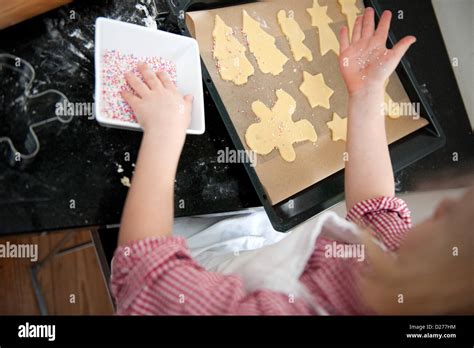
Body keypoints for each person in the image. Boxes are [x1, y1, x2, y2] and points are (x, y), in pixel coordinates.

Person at [111, 8, 474, 315]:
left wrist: (164, 132)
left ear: (438, 287)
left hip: (195, 269)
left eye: (451, 217)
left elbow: (145, 279)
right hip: (260, 254)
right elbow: (377, 213)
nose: (440, 206)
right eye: (457, 202)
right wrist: (366, 96)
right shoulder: (400, 263)